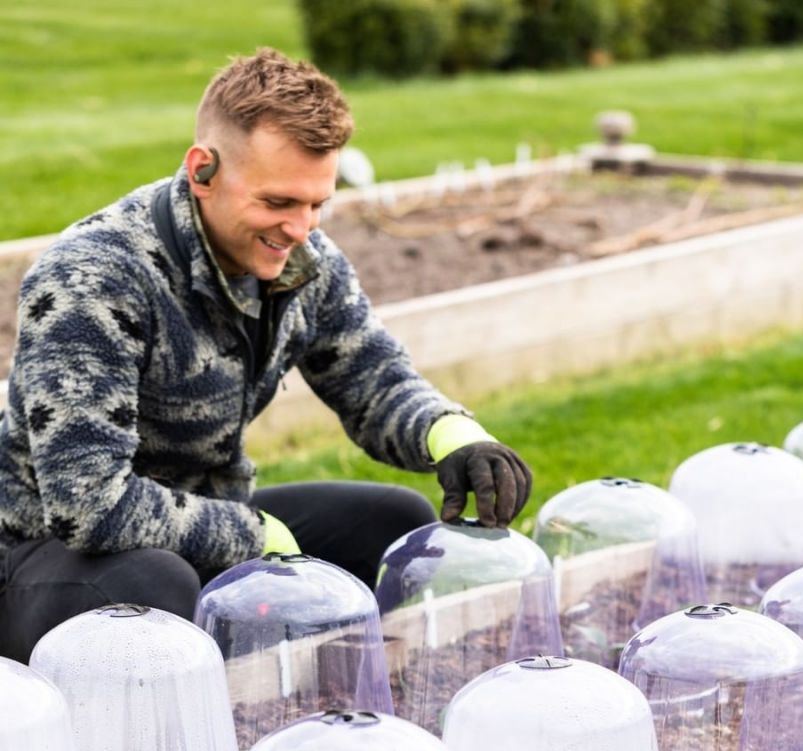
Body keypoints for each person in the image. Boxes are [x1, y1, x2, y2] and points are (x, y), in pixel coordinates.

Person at [0, 48, 532, 663]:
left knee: (396, 524)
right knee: (151, 586)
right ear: (203, 170)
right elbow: (87, 506)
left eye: (316, 205)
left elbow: (374, 378)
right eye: (278, 203)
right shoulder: (93, 276)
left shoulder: (304, 263)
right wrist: (254, 537)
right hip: (38, 556)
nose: (300, 228)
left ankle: (306, 682)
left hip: (200, 528)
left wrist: (456, 438)